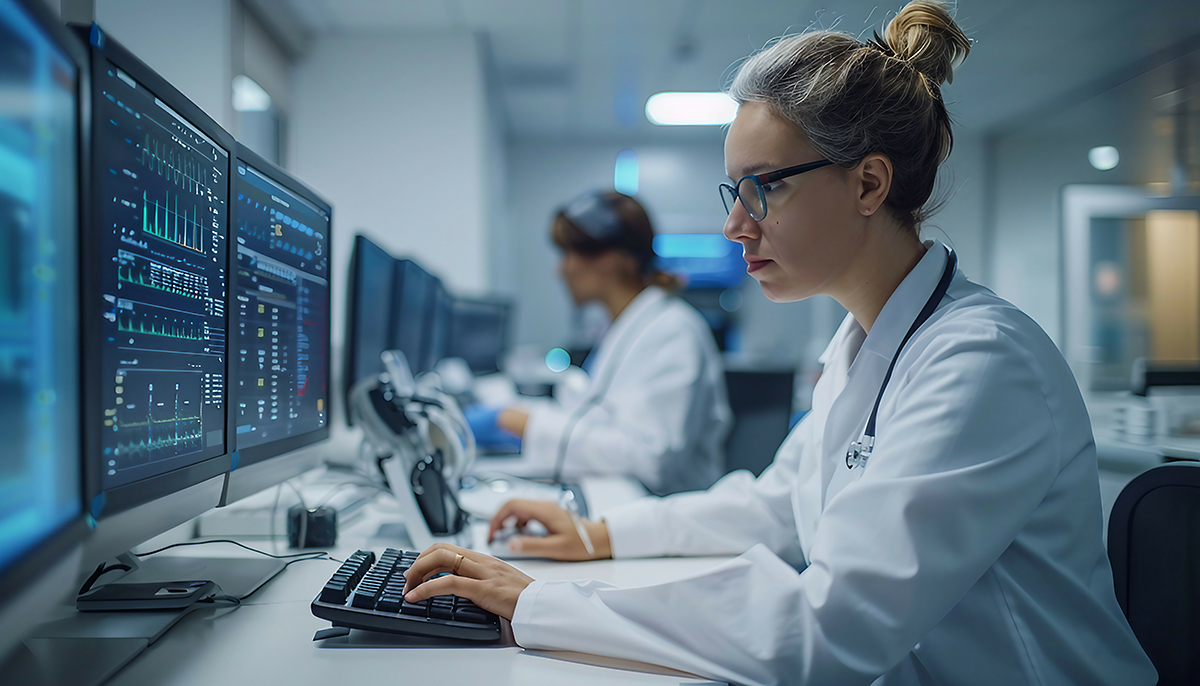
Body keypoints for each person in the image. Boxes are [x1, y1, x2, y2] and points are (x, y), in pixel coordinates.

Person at [403, 2, 1158, 684]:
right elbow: (774, 507)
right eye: (735, 192)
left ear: (868, 185)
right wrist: (599, 534)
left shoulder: (980, 362)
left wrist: (543, 607)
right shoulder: (864, 346)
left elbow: (828, 632)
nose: (736, 226)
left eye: (766, 187)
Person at [466, 191, 732, 495]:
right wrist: (520, 418)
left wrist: (522, 422)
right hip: (628, 503)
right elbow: (600, 418)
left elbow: (650, 459)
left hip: (667, 513)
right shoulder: (629, 326)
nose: (561, 270)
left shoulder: (673, 332)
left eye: (570, 254)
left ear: (617, 259)